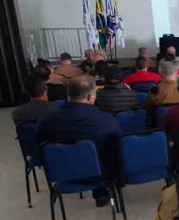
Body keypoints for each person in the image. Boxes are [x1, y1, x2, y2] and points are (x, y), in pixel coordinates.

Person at [37, 76, 121, 206]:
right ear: (90, 97)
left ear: (68, 95)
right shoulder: (107, 120)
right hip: (99, 175)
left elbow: (41, 149)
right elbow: (117, 149)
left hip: (61, 174)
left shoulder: (46, 120)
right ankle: (102, 194)